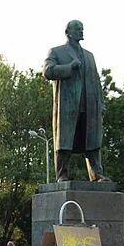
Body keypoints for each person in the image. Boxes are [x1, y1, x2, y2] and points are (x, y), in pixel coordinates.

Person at [43, 19, 107, 181]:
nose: (81, 31)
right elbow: (48, 71)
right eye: (78, 29)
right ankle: (62, 175)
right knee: (64, 142)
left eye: (82, 29)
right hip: (68, 106)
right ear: (68, 32)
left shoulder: (89, 56)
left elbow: (96, 81)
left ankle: (96, 174)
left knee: (92, 141)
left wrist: (101, 104)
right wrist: (69, 67)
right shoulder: (57, 52)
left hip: (90, 106)